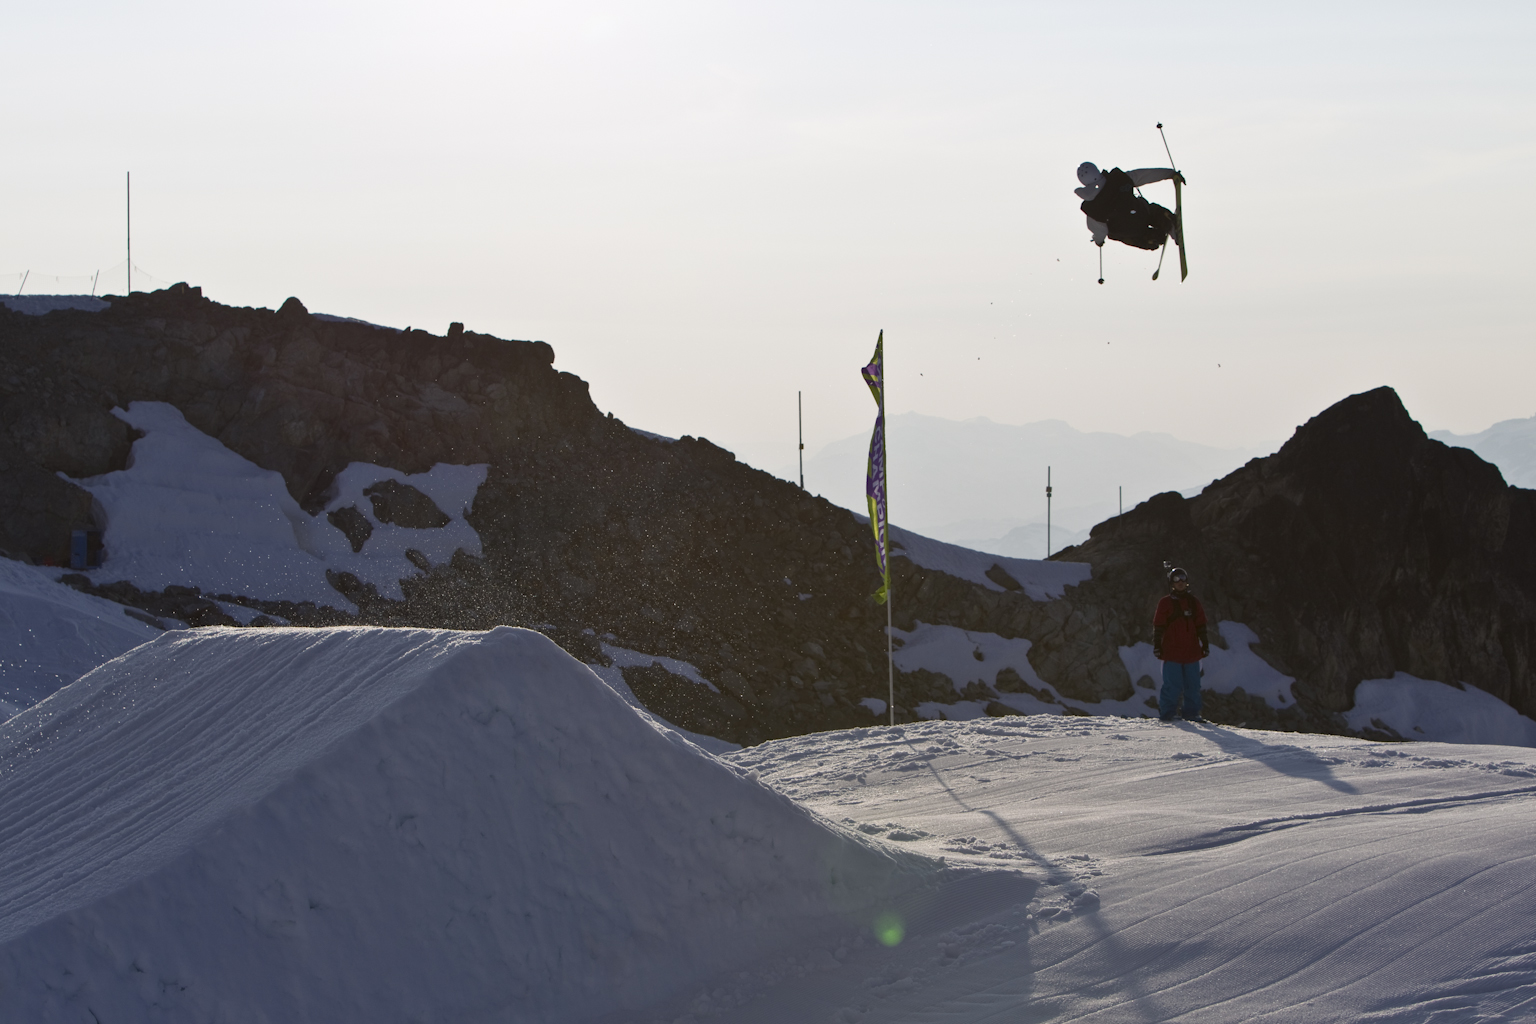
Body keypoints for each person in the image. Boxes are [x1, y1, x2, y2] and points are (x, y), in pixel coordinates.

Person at [1075, 162, 1185, 250]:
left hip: (1129, 231)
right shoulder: (1119, 178)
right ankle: (1166, 220)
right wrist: (1170, 174)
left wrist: (1098, 241)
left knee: (1120, 235)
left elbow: (1100, 232)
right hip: (1140, 212)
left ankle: (1152, 239)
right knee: (1151, 211)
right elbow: (1146, 175)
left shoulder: (1092, 209)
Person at [1152, 566, 1208, 722]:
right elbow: (1158, 626)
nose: (1180, 582)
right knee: (1172, 684)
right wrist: (1157, 645)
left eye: (1183, 579)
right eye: (1177, 579)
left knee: (1193, 685)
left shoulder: (1194, 602)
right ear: (1172, 583)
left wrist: (1205, 644)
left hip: (1192, 651)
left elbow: (1201, 625)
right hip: (1171, 651)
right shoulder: (1165, 603)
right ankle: (1168, 713)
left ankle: (1191, 713)